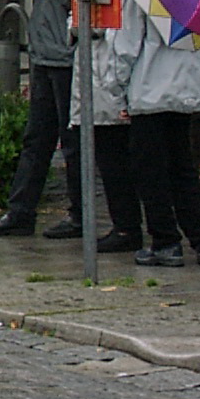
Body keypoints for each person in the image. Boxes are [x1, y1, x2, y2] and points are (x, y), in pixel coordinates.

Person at [0, 0, 81, 238]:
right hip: (44, 59)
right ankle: (21, 211)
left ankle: (80, 215)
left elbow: (75, 3)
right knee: (36, 140)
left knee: (72, 142)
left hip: (64, 62)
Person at [112, 0, 200, 266]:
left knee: (150, 170)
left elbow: (126, 47)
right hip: (187, 90)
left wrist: (118, 92)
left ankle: (165, 241)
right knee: (182, 166)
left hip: (149, 90)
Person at [71, 24, 144, 254]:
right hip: (98, 82)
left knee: (117, 163)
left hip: (110, 84)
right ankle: (126, 226)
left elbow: (120, 41)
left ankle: (128, 228)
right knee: (111, 161)